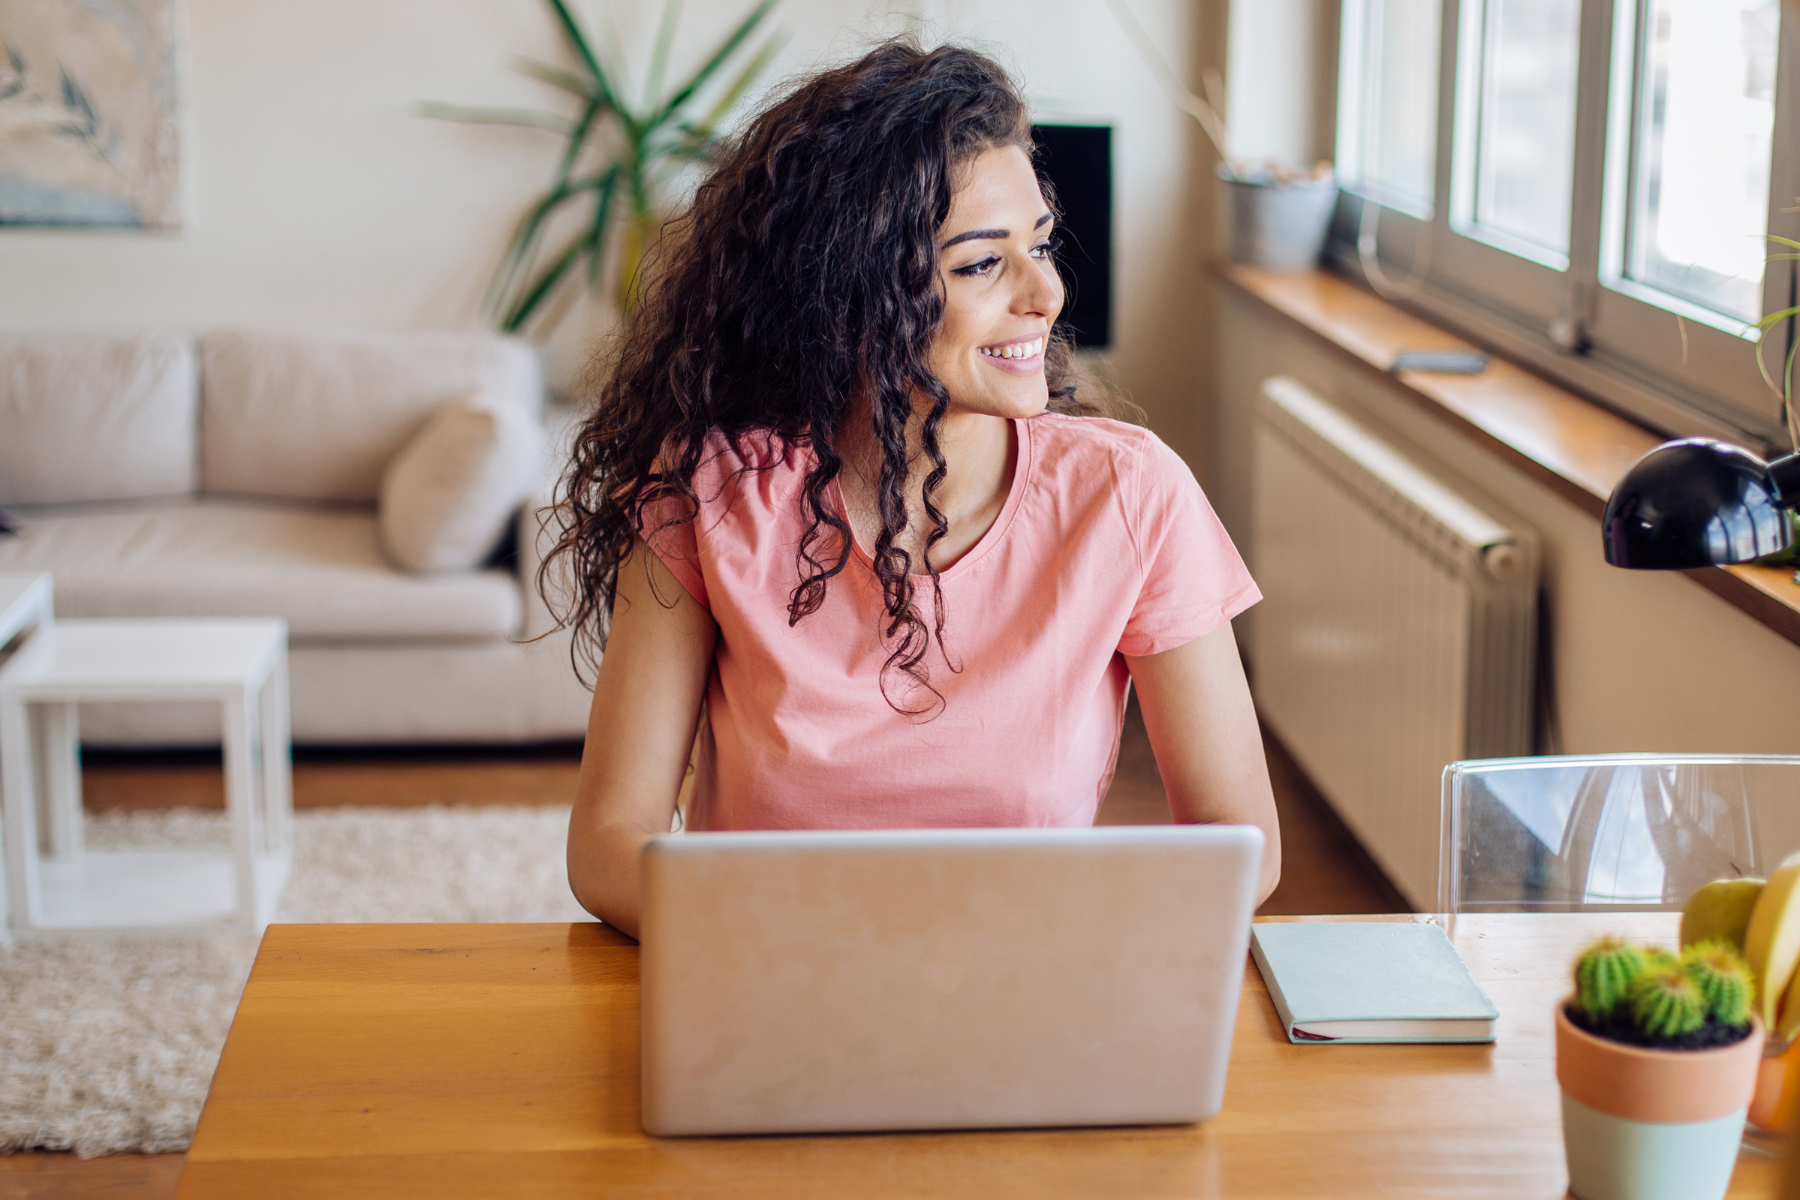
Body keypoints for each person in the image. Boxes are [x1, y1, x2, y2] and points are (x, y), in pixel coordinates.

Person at [546, 40, 1280, 938]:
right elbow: (607, 845)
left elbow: (1242, 844)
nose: (1046, 291)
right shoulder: (710, 494)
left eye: (1041, 245)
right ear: (851, 291)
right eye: (981, 264)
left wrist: (1068, 938)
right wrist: (819, 934)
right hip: (771, 992)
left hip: (1022, 997)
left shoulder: (1131, 495)